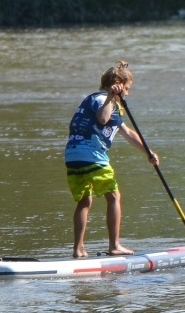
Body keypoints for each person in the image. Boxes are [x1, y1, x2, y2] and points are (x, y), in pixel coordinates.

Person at [65, 61, 160, 258]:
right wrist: (110, 96)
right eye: (126, 89)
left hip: (72, 156)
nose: (127, 94)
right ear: (117, 85)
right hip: (93, 156)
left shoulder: (94, 99)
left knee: (84, 201)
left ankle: (78, 249)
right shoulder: (103, 100)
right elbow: (102, 119)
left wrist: (148, 152)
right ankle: (114, 245)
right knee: (114, 197)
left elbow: (127, 132)